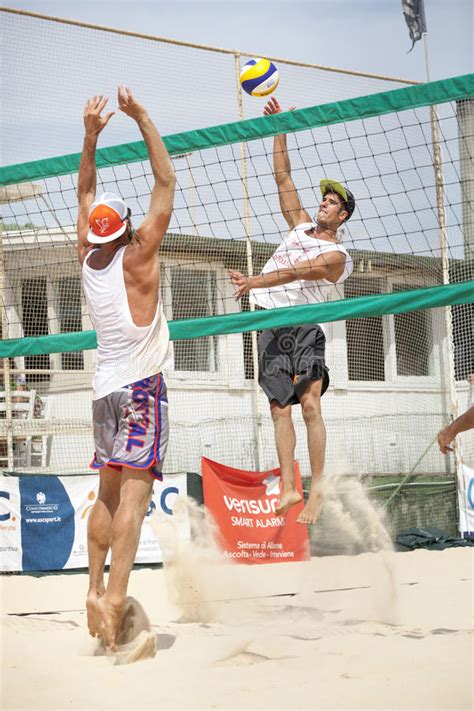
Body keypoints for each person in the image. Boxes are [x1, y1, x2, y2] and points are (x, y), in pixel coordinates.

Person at [77, 87, 176, 651]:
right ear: (127, 229)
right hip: (141, 388)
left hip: (103, 390)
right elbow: (165, 182)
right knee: (133, 502)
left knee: (106, 495)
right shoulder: (139, 255)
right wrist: (141, 115)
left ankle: (92, 589)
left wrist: (90, 135)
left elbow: (86, 188)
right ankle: (115, 600)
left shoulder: (86, 256)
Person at [229, 96, 354, 526]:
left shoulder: (337, 254)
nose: (325, 201)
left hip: (302, 327)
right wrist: (280, 126)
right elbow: (282, 175)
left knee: (310, 406)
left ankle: (316, 492)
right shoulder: (300, 224)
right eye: (325, 197)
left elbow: (298, 271)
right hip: (269, 323)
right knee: (278, 410)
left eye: (334, 201)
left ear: (343, 216)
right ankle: (288, 487)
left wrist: (253, 282)